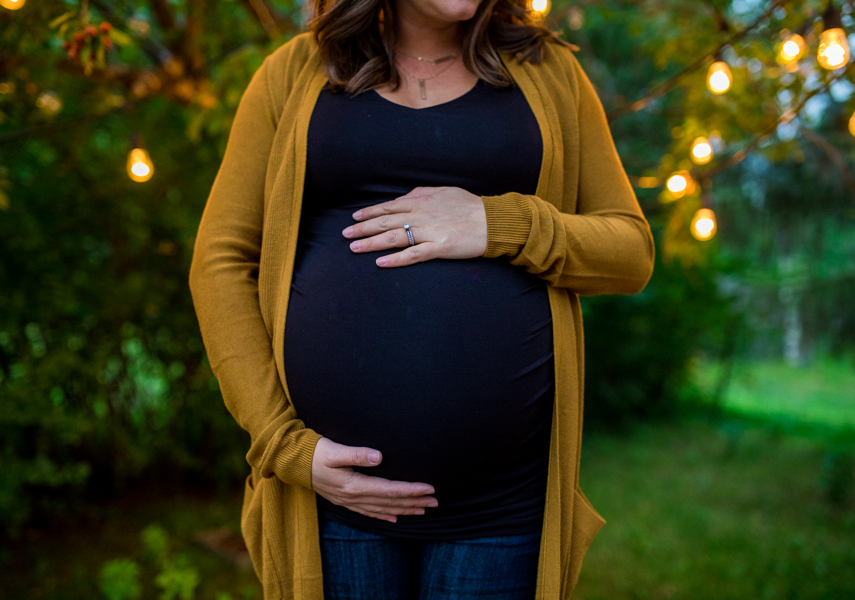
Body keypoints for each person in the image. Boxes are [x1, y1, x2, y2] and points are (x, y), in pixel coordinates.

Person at [188, 0, 655, 598]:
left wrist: (498, 223)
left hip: (502, 507)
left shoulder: (550, 72)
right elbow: (221, 261)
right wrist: (285, 446)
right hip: (334, 504)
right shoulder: (294, 74)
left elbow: (631, 251)